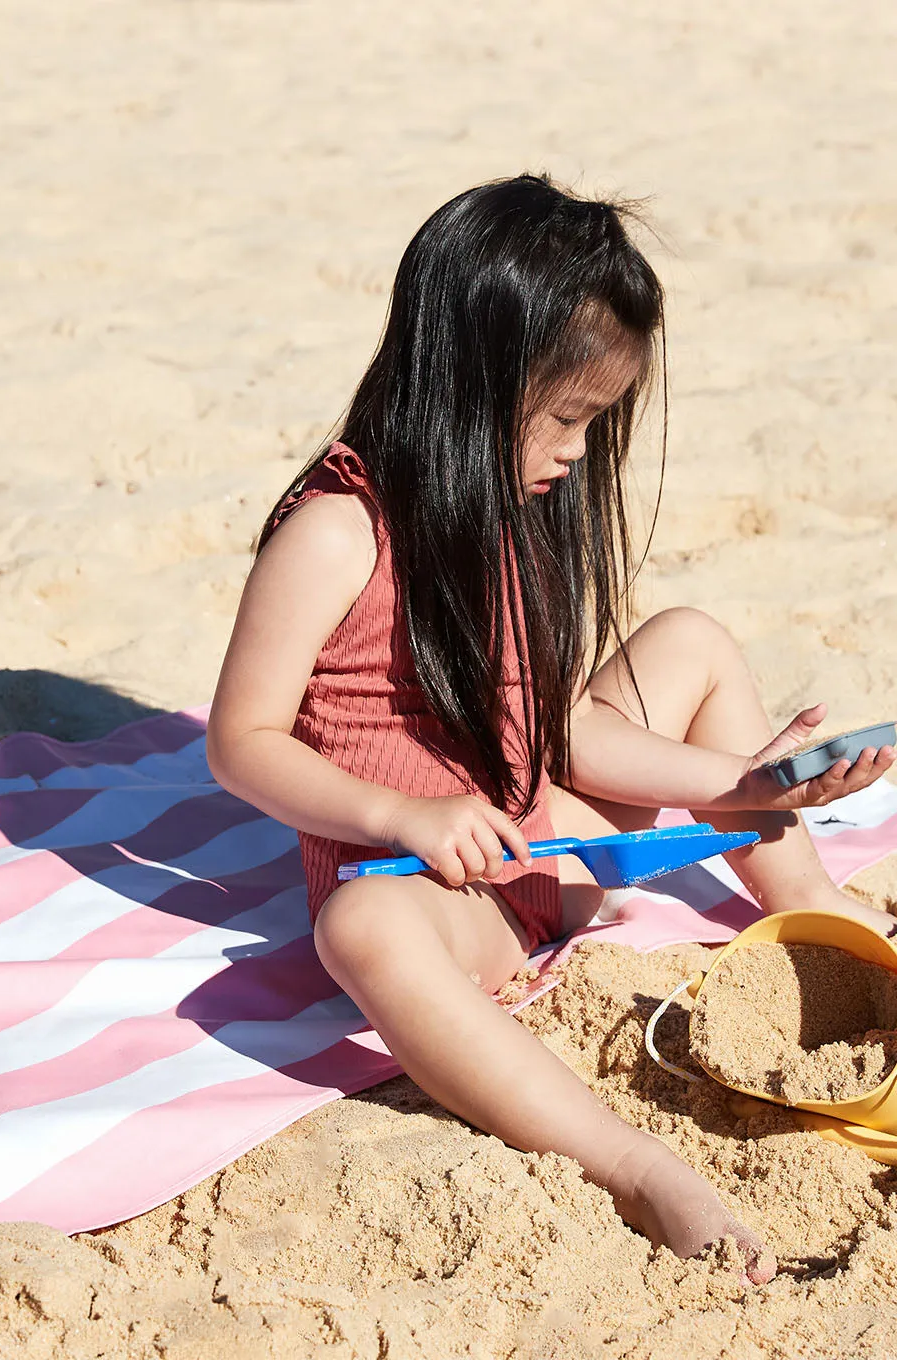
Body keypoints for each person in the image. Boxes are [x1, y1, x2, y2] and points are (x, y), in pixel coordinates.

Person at [206, 173, 896, 1285]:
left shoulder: (512, 510)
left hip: (545, 822)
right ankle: (629, 1166)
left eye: (596, 421)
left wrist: (744, 780)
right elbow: (240, 739)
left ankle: (812, 908)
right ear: (470, 378)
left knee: (692, 638)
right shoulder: (340, 531)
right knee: (360, 931)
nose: (578, 451)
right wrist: (401, 812)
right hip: (437, 878)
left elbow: (558, 729)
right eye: (568, 415)